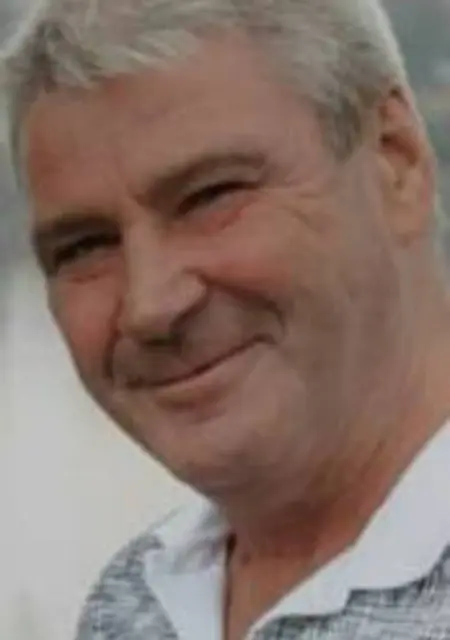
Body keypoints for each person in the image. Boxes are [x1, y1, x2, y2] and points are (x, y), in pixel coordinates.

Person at [4, 0, 450, 638]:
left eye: (211, 196)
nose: (151, 305)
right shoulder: (136, 603)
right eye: (84, 246)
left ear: (395, 161)